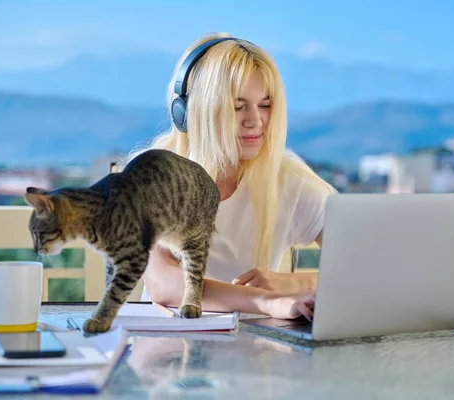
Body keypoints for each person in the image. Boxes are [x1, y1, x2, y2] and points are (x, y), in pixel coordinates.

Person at [125, 32, 336, 321]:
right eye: (237, 107)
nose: (255, 120)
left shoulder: (289, 179)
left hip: (255, 351)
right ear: (190, 112)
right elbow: (165, 284)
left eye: (265, 104)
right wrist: (266, 301)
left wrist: (297, 283)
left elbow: (367, 266)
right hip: (169, 352)